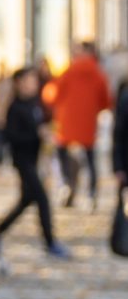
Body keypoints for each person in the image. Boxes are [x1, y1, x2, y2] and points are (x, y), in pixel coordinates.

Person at [0, 65, 70, 264]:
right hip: (23, 161)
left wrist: (47, 134)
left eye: (34, 81)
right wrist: (37, 135)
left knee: (26, 201)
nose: (32, 84)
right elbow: (13, 137)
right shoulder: (15, 107)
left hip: (35, 159)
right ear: (19, 83)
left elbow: (43, 123)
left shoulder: (35, 104)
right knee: (42, 199)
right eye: (28, 81)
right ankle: (50, 242)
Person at [51, 41, 112, 209]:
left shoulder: (68, 72)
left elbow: (52, 95)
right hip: (88, 125)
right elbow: (106, 101)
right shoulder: (99, 74)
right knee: (91, 160)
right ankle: (91, 194)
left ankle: (66, 184)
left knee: (62, 154)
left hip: (66, 124)